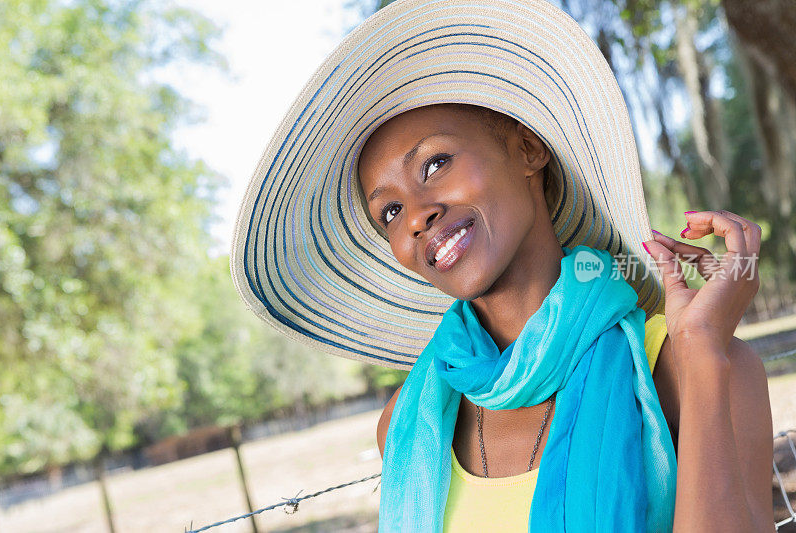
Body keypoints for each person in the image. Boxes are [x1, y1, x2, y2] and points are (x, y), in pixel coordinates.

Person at [229, 0, 774, 530]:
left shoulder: (688, 366)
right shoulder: (408, 422)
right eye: (389, 211)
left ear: (528, 150)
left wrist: (701, 350)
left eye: (435, 163)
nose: (416, 217)